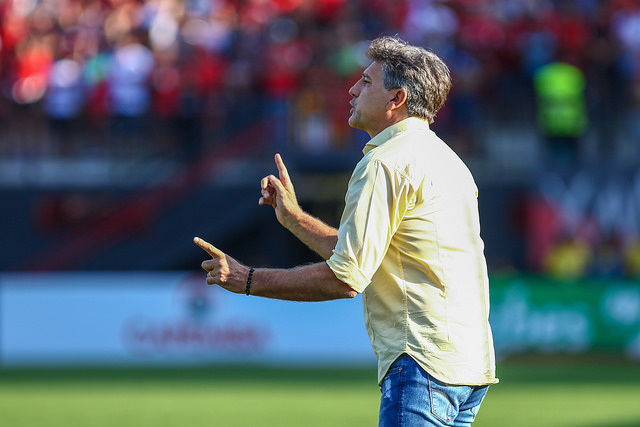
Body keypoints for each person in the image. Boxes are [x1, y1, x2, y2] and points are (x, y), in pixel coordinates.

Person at [194, 35, 497, 426]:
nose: (352, 89)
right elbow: (367, 253)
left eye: (367, 82)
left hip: (422, 362)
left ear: (396, 99)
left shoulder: (384, 163)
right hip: (469, 365)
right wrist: (295, 218)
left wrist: (246, 278)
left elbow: (346, 278)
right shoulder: (447, 159)